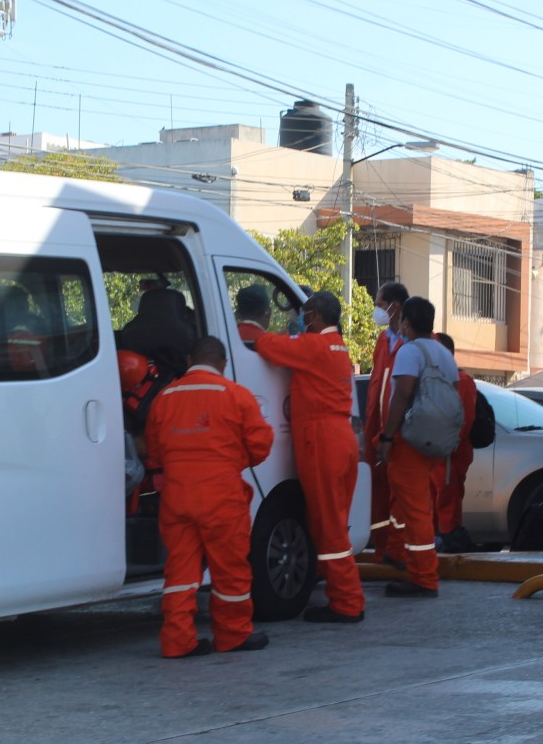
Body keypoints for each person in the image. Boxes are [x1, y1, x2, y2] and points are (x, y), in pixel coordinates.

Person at [144, 335, 274, 657]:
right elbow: (260, 445)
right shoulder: (236, 396)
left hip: (177, 496)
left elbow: (154, 450)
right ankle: (232, 635)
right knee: (229, 570)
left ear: (190, 361)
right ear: (223, 364)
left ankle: (177, 641)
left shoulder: (165, 397)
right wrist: (231, 461)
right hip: (221, 496)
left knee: (180, 572)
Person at [253, 291, 365, 623]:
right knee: (333, 522)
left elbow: (267, 347)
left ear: (314, 316)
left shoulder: (314, 347)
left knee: (328, 526)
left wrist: (259, 331)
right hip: (341, 437)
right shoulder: (339, 347)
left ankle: (346, 602)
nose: (302, 320)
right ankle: (342, 594)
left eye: (304, 315)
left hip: (322, 440)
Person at [375, 296, 459, 597]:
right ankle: (410, 564)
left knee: (416, 512)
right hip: (434, 442)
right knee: (415, 506)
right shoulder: (444, 353)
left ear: (406, 322)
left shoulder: (410, 352)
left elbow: (401, 397)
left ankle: (424, 578)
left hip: (409, 441)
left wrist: (386, 437)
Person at [366, 281, 410, 569]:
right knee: (380, 499)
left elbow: (404, 393)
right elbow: (376, 387)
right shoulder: (384, 341)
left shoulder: (417, 342)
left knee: (402, 499)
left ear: (394, 307)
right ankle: (384, 552)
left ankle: (402, 554)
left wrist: (390, 434)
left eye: (380, 305)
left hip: (402, 435)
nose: (377, 311)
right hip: (378, 433)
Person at [430, 332, 477, 553]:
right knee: (435, 503)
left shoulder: (462, 381)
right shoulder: (438, 378)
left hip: (448, 454)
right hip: (436, 452)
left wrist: (447, 444)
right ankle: (438, 542)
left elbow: (463, 420)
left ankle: (448, 543)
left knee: (447, 503)